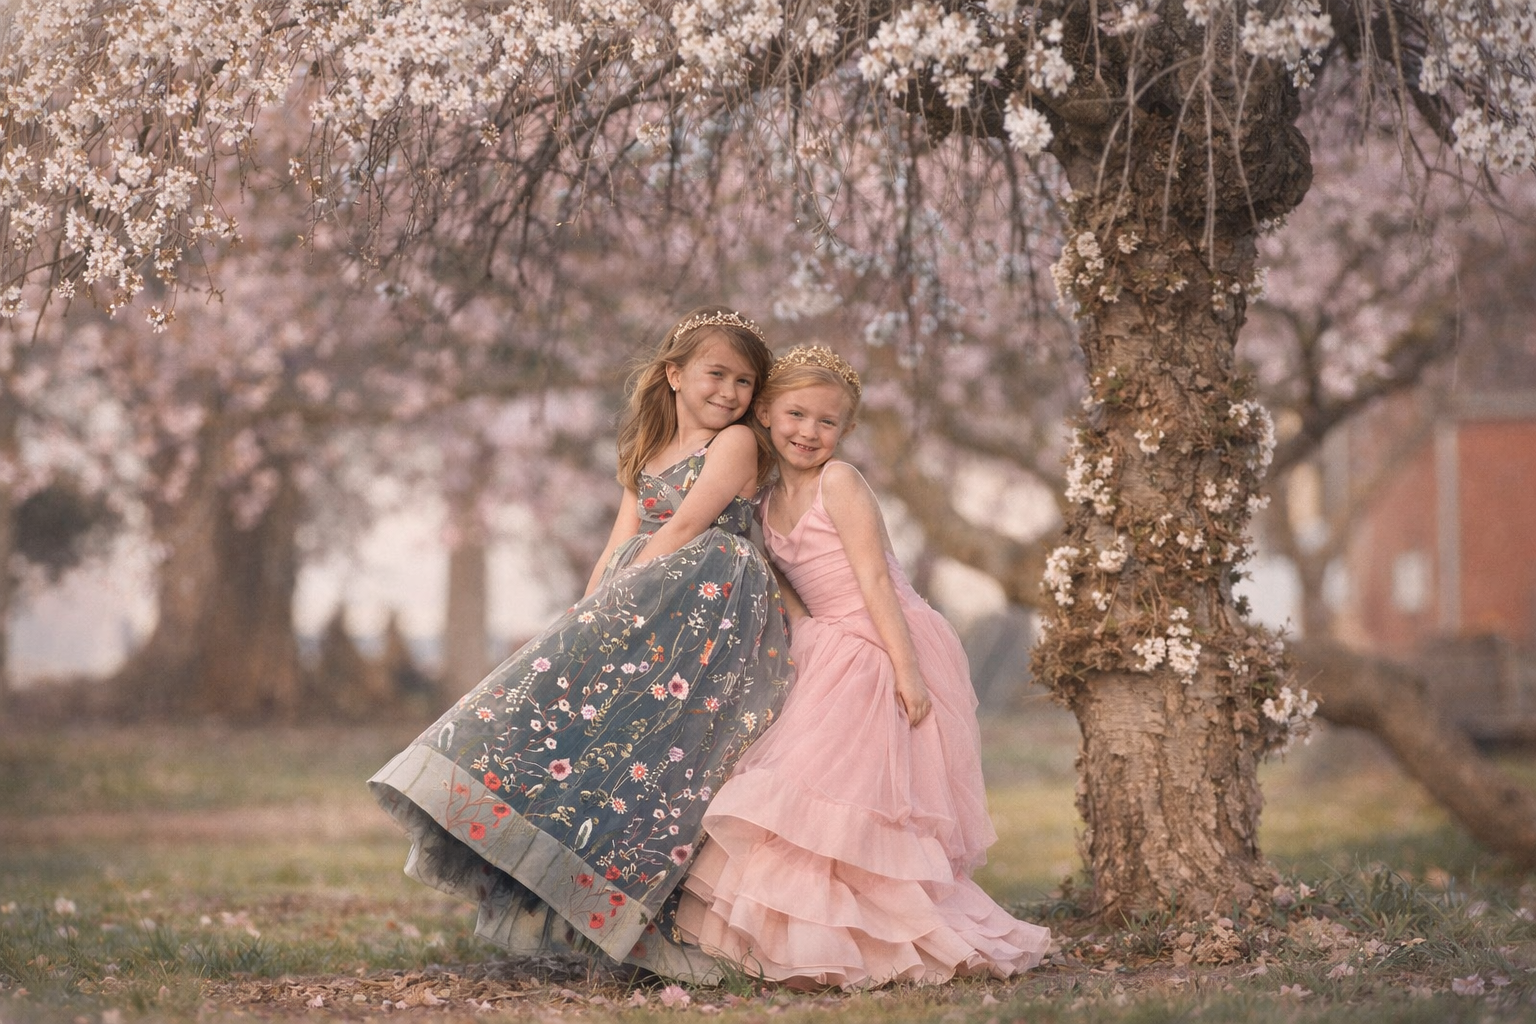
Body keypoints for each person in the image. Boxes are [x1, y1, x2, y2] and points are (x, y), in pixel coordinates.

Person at [369, 308, 793, 980]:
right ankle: (563, 873)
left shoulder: (735, 444)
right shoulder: (647, 451)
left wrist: (615, 609)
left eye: (745, 381)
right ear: (674, 374)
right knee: (591, 739)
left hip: (702, 610)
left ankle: (672, 919)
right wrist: (589, 611)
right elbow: (618, 541)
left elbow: (685, 525)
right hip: (645, 599)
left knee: (668, 756)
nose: (731, 392)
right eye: (717, 374)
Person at [674, 345, 1052, 988]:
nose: (808, 432)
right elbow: (784, 589)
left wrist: (906, 671)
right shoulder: (762, 502)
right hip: (824, 645)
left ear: (845, 430)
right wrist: (799, 645)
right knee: (803, 796)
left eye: (827, 422)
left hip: (881, 643)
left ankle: (878, 939)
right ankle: (802, 938)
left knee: (843, 798)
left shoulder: (840, 482)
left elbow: (875, 578)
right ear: (765, 413)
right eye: (796, 415)